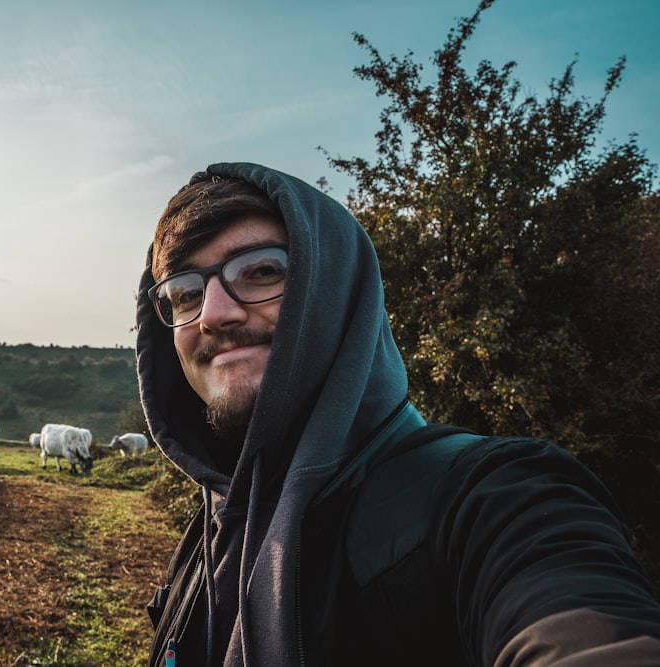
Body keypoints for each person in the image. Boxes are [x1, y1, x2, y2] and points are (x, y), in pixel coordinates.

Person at [135, 162, 660, 666]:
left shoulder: (488, 498)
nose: (214, 314)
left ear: (334, 290)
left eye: (262, 271)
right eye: (185, 293)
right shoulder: (214, 530)